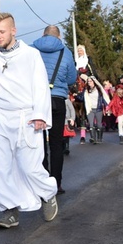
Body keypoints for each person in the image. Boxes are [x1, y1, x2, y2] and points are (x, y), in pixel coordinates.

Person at [0, 13, 59, 230]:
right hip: (2, 119)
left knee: (30, 166)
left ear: (13, 30)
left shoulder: (31, 55)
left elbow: (40, 85)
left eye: (1, 31)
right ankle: (9, 210)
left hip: (27, 118)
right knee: (1, 168)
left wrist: (40, 115)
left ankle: (48, 193)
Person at [31, 25, 77, 194]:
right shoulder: (66, 52)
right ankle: (56, 183)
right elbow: (72, 77)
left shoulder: (31, 49)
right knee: (57, 144)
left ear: (42, 35)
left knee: (39, 143)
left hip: (36, 101)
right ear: (59, 37)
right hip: (57, 99)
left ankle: (41, 183)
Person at [82, 76, 110, 144]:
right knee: (91, 124)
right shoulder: (86, 90)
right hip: (90, 109)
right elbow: (82, 97)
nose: (89, 83)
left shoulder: (99, 89)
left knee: (99, 124)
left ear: (94, 81)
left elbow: (104, 98)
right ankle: (93, 138)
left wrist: (108, 107)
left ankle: (99, 138)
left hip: (98, 109)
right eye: (88, 82)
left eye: (91, 81)